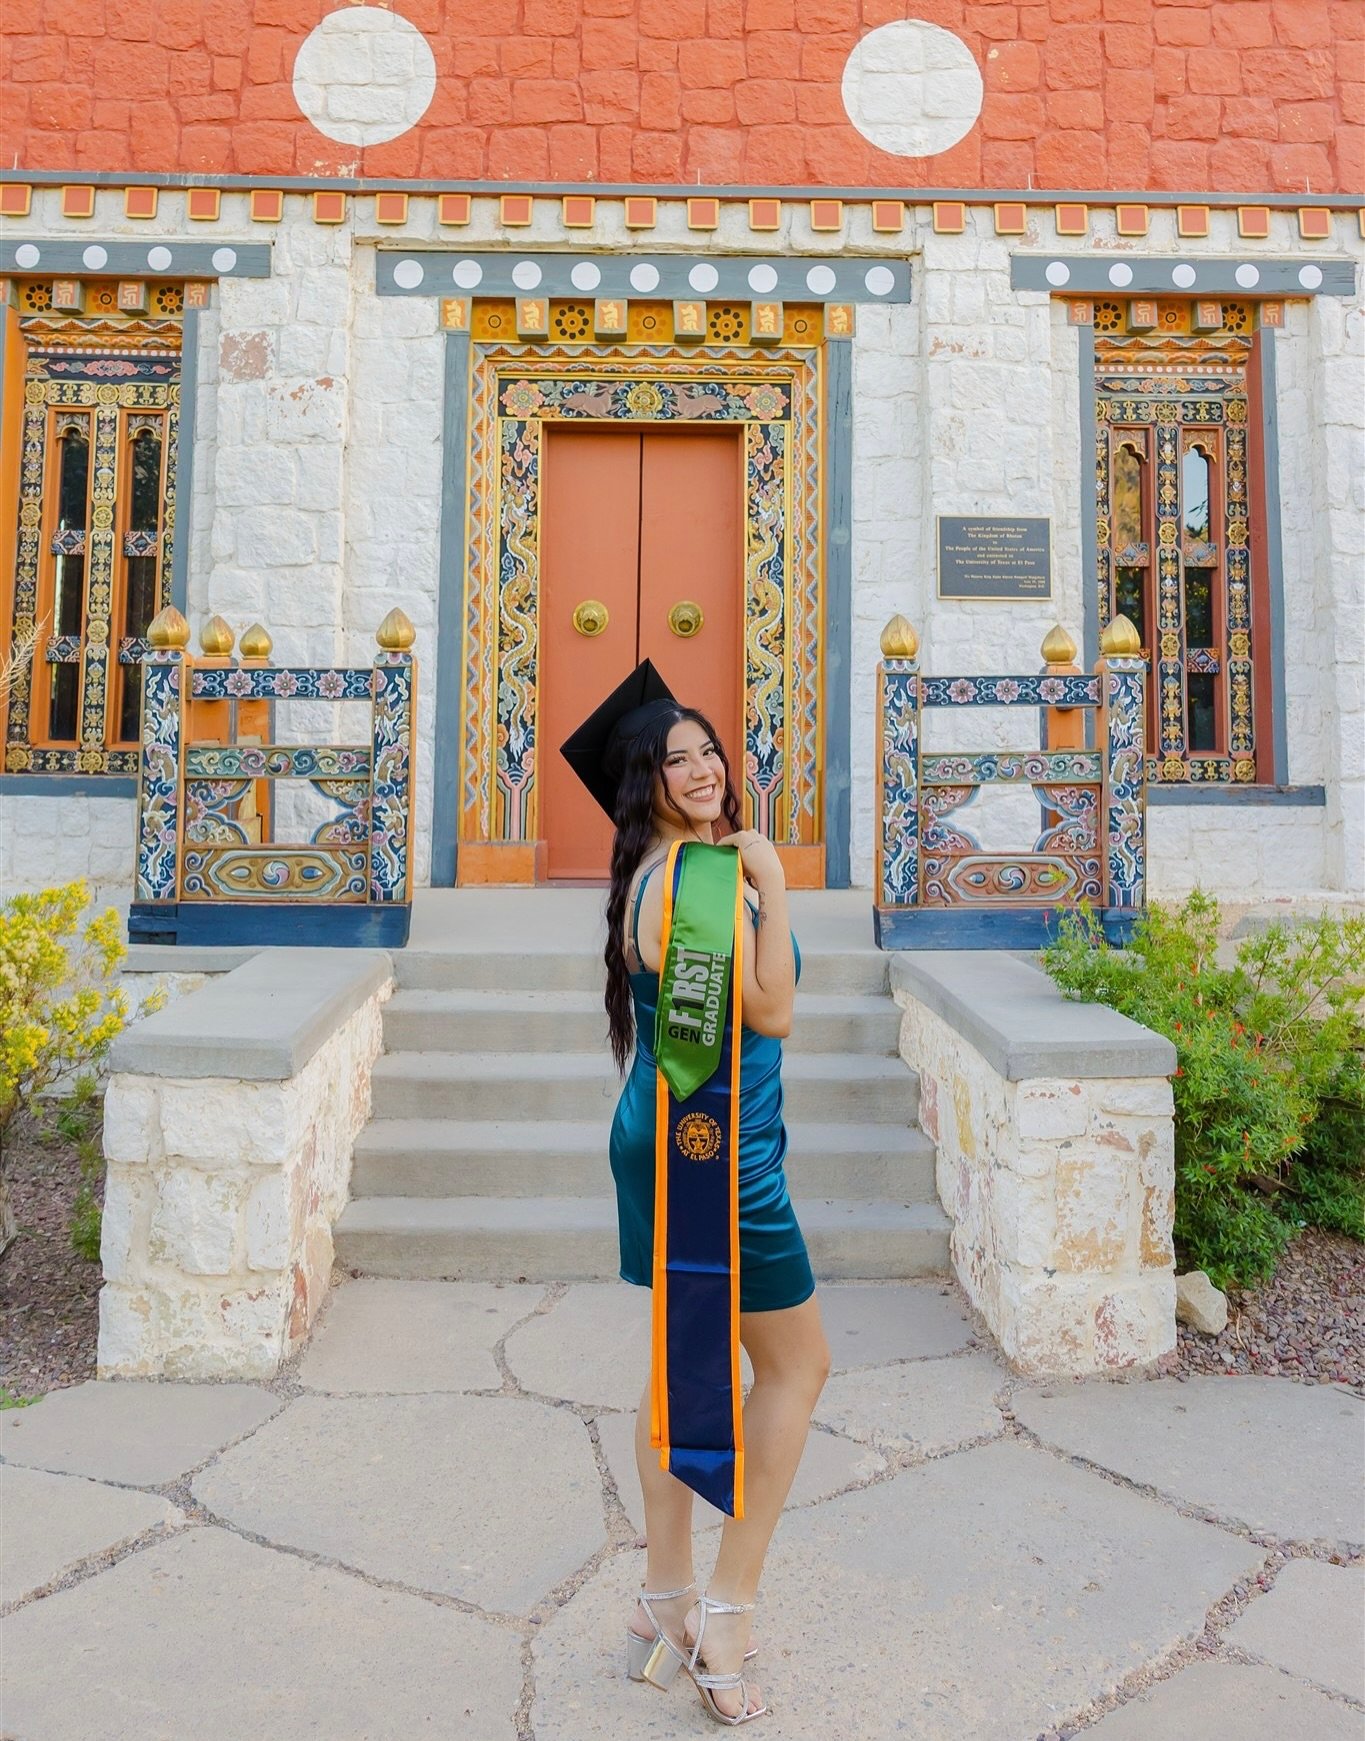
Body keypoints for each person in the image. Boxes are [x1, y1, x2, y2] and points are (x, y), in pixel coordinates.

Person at [561, 661, 831, 1726]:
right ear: (644, 783)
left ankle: (662, 1592)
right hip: (710, 1150)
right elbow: (771, 1014)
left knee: (685, 1352)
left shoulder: (655, 873)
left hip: (681, 1127)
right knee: (798, 1364)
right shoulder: (709, 876)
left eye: (709, 748)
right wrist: (771, 874)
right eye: (675, 759)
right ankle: (727, 1610)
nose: (703, 767)